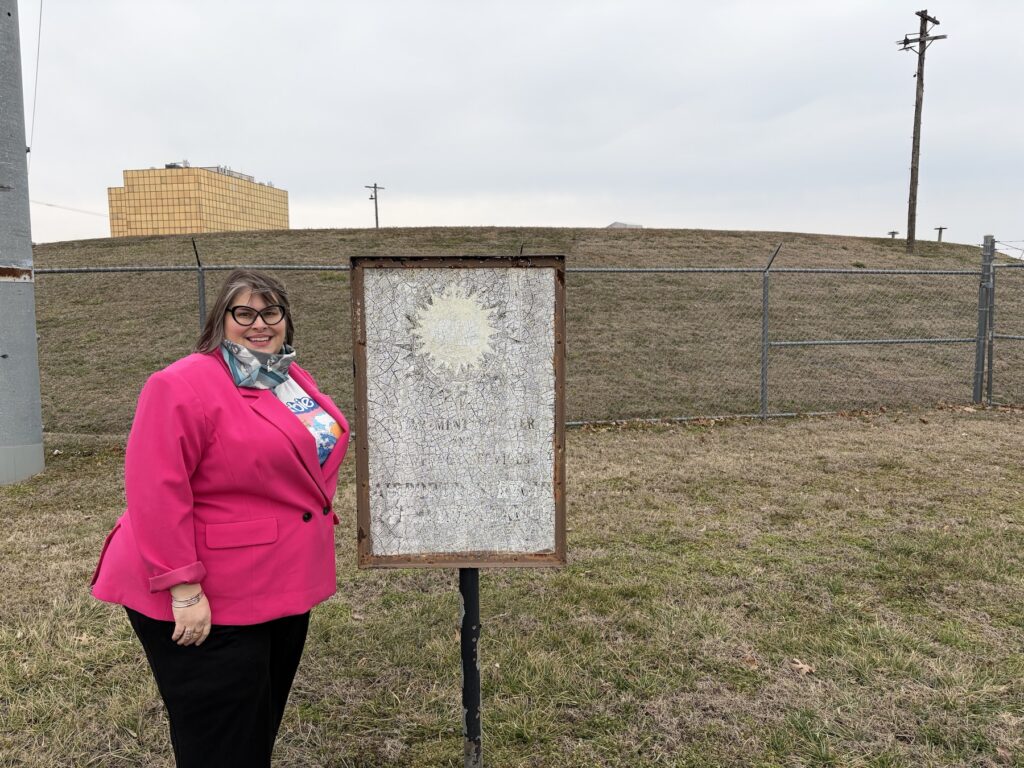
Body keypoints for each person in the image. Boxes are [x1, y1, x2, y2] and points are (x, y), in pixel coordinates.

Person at [91, 269, 349, 767]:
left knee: (253, 730)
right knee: (222, 743)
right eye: (244, 313)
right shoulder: (180, 384)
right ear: (220, 320)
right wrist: (183, 590)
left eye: (271, 312)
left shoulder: (285, 375)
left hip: (276, 581)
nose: (260, 323)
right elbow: (156, 491)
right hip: (208, 591)